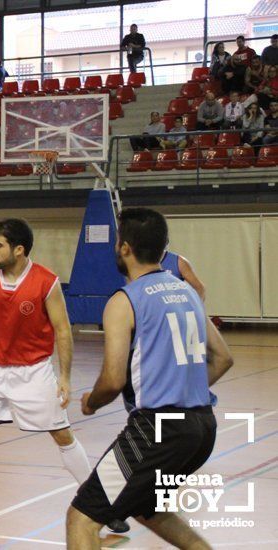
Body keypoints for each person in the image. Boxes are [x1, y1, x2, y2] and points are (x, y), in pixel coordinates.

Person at [0, 219, 130, 537]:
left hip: (32, 371)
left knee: (62, 435)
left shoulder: (46, 282)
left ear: (19, 250)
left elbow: (62, 330)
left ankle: (102, 504)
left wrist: (65, 377)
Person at [66, 207, 234, 550]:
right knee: (150, 509)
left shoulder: (124, 300)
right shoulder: (185, 291)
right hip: (202, 427)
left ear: (125, 248)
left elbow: (112, 380)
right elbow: (223, 358)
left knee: (82, 518)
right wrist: (187, 389)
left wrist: (91, 402)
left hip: (157, 429)